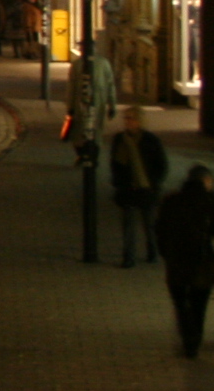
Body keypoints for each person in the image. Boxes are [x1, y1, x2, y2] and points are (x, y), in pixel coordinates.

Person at [153, 165, 214, 357]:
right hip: (202, 262)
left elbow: (159, 229)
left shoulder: (171, 201)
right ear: (206, 181)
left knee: (180, 302)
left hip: (176, 260)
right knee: (199, 303)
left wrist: (165, 252)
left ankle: (187, 335)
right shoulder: (212, 201)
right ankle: (195, 340)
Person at [67, 41, 118, 264]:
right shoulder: (82, 65)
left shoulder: (95, 64)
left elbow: (109, 83)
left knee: (91, 133)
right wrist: (112, 103)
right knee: (87, 133)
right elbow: (108, 84)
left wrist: (112, 103)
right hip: (88, 105)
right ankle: (88, 155)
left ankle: (90, 157)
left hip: (91, 105)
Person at [109, 104, 167, 269]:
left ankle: (152, 252)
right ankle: (128, 257)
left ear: (139, 121)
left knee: (149, 224)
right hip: (127, 188)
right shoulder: (119, 139)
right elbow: (115, 163)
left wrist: (154, 182)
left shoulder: (150, 140)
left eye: (132, 118)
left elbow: (161, 165)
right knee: (128, 226)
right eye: (126, 118)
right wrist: (118, 182)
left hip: (146, 189)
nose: (128, 122)